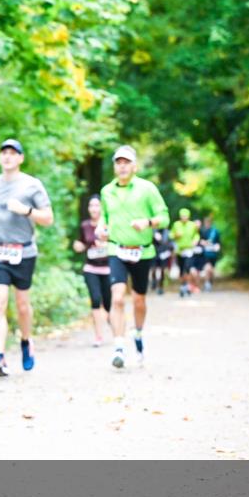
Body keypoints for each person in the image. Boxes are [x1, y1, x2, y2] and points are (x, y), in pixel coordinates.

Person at [0, 139, 54, 376]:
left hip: (24, 251)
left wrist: (27, 211)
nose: (7, 157)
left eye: (13, 153)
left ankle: (26, 340)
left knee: (22, 306)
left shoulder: (32, 185)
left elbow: (48, 218)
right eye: (4, 153)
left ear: (21, 158)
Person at [97, 145, 170, 368]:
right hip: (116, 250)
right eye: (118, 162)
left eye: (126, 162)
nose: (122, 166)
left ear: (134, 166)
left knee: (139, 299)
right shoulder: (106, 191)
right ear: (114, 167)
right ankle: (119, 345)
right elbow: (104, 217)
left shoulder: (147, 189)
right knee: (117, 297)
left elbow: (165, 217)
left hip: (143, 251)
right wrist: (101, 228)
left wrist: (147, 222)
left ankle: (137, 333)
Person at [73, 195, 111, 346]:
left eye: (97, 205)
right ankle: (99, 336)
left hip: (108, 269)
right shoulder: (85, 225)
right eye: (91, 205)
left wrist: (106, 246)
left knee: (108, 304)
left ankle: (111, 319)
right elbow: (80, 242)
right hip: (91, 268)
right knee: (95, 300)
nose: (94, 209)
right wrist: (78, 245)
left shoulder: (109, 224)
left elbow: (117, 243)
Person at [170, 208, 200, 297]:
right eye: (182, 216)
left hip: (189, 250)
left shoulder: (192, 225)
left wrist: (195, 240)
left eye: (186, 216)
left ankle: (187, 286)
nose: (184, 218)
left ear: (188, 217)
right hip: (180, 250)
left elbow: (196, 235)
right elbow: (170, 235)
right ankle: (183, 285)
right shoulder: (176, 225)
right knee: (181, 270)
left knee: (188, 268)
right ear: (180, 216)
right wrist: (175, 235)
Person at [198, 215, 221, 291]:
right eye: (206, 222)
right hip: (205, 253)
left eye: (208, 222)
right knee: (207, 268)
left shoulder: (215, 231)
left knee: (211, 270)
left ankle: (210, 282)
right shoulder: (202, 231)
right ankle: (207, 283)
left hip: (213, 253)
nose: (207, 223)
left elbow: (218, 242)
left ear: (211, 223)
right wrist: (204, 243)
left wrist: (217, 247)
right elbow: (199, 241)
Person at [150, 227, 174, 295]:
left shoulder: (168, 232)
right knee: (153, 269)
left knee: (162, 271)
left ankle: (161, 287)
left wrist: (170, 250)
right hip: (155, 253)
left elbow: (171, 243)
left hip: (164, 253)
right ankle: (154, 281)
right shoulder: (153, 231)